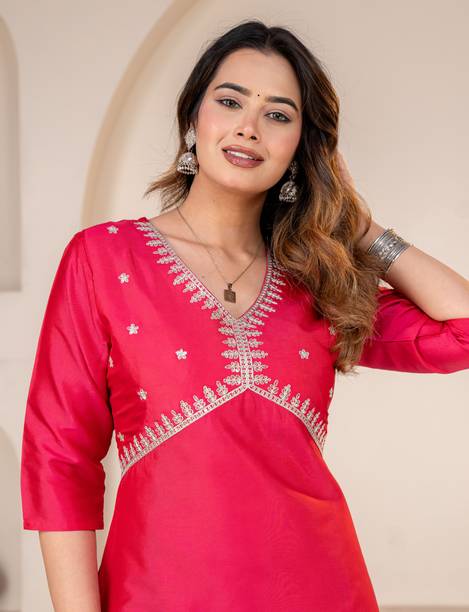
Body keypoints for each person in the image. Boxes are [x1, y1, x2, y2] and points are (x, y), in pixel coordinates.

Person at [20, 19, 469, 612]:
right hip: (155, 594)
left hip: (321, 591)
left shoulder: (318, 282)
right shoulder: (104, 258)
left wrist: (359, 226)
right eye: (230, 101)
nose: (249, 127)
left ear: (302, 147)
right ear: (194, 117)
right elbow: (60, 458)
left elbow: (460, 331)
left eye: (278, 115)